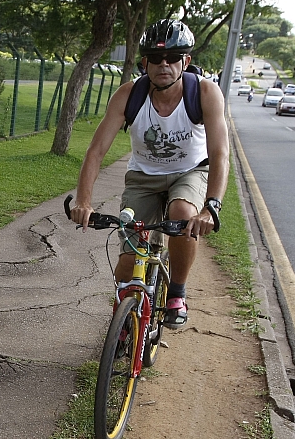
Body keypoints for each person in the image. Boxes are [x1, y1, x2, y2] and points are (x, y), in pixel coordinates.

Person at [67, 18, 229, 329]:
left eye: (172, 57)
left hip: (190, 172)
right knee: (129, 262)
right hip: (143, 177)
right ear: (145, 62)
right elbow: (96, 151)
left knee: (182, 213)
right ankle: (123, 321)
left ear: (186, 61)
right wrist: (84, 202)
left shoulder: (205, 93)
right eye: (155, 59)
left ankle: (176, 294)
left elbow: (220, 154)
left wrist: (211, 207)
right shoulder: (130, 95)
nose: (163, 65)